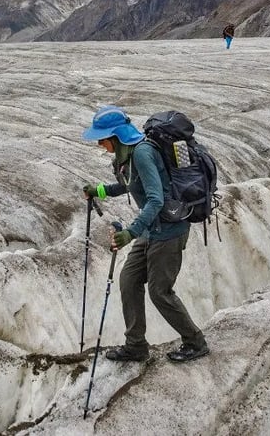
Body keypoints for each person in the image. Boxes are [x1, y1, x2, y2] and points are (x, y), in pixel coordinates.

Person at [81, 105, 209, 363]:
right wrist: (100, 190)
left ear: (115, 136)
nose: (100, 144)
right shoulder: (127, 155)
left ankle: (195, 342)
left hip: (169, 232)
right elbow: (129, 185)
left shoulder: (142, 154)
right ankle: (136, 346)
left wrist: (131, 232)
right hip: (152, 230)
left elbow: (155, 199)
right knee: (129, 281)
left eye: (102, 139)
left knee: (160, 292)